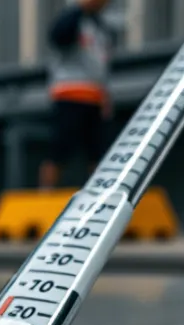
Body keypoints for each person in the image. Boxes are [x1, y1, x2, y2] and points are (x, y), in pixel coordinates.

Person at [39, 0, 117, 190]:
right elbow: (59, 37)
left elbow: (102, 65)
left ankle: (99, 194)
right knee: (60, 150)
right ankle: (46, 194)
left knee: (98, 152)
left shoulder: (101, 26)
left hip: (95, 96)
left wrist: (105, 97)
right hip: (70, 93)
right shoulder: (70, 18)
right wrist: (80, 8)